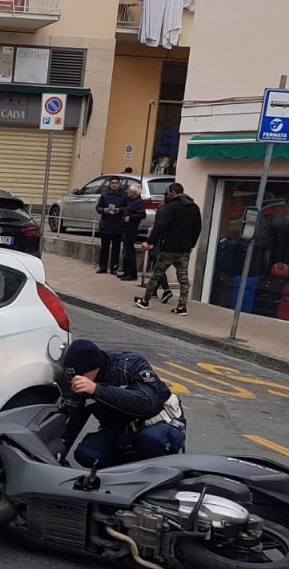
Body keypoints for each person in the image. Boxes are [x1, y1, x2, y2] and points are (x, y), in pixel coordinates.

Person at [61, 339, 186, 468]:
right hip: (122, 432)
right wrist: (58, 456)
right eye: (71, 376)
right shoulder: (84, 382)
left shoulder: (131, 365)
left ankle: (157, 472)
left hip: (158, 423)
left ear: (94, 368)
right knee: (87, 453)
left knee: (151, 439)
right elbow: (74, 422)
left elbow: (146, 402)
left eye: (78, 375)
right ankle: (128, 469)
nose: (75, 380)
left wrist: (97, 390)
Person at [135, 182, 201, 316]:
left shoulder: (171, 207)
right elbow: (197, 228)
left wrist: (149, 242)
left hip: (168, 248)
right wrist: (191, 244)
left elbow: (160, 226)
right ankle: (182, 307)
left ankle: (145, 301)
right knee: (183, 278)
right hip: (184, 249)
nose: (166, 195)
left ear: (172, 192)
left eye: (167, 192)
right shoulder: (194, 207)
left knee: (156, 275)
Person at [95, 177, 127, 274]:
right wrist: (104, 210)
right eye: (112, 183)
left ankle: (114, 268)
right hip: (106, 225)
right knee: (104, 248)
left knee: (116, 248)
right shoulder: (104, 195)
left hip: (117, 226)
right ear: (109, 184)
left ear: (119, 184)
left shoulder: (123, 195)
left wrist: (119, 210)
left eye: (116, 183)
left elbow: (127, 208)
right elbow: (98, 207)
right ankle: (103, 267)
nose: (114, 185)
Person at [118, 183, 146, 281]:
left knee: (129, 251)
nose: (127, 192)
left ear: (134, 193)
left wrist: (130, 218)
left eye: (129, 191)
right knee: (125, 250)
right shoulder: (130, 200)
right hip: (125, 228)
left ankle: (132, 273)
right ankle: (126, 271)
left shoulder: (138, 202)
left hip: (131, 228)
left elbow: (142, 214)